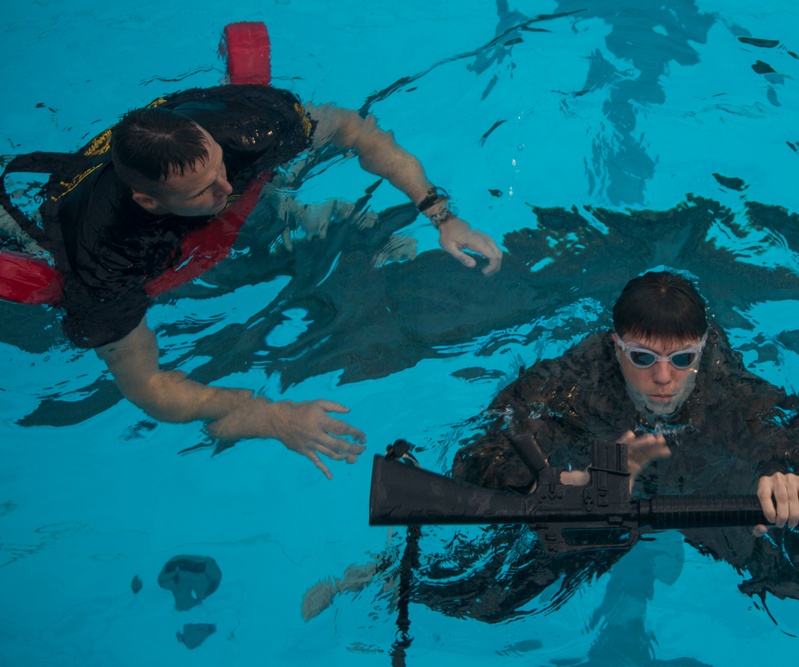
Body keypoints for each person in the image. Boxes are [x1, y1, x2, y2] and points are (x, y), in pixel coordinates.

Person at [310, 269, 799, 633]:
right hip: (598, 487)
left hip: (703, 477)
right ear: (614, 345)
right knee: (501, 590)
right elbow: (480, 460)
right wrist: (597, 470)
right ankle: (386, 569)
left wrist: (795, 484)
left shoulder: (733, 392)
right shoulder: (567, 382)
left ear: (703, 351)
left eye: (682, 359)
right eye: (643, 358)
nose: (662, 378)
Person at [23, 83, 504, 479]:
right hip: (111, 244)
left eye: (219, 167)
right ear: (149, 202)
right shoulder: (102, 261)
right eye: (205, 189)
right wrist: (272, 417)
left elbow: (356, 131)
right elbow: (148, 389)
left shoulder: (245, 124)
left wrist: (441, 216)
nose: (226, 186)